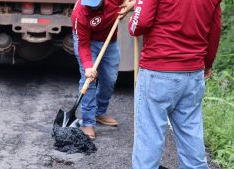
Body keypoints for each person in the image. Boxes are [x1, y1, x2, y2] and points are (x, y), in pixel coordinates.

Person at [128, 0, 221, 168]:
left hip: (158, 71)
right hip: (193, 74)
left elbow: (140, 24)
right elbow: (214, 30)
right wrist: (208, 63)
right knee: (191, 136)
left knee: (149, 138)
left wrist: (132, 24)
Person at [71, 0, 135, 139]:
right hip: (87, 43)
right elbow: (83, 45)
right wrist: (88, 67)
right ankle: (88, 122)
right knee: (89, 80)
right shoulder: (80, 14)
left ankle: (100, 111)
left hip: (109, 42)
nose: (92, 8)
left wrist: (131, 5)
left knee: (110, 79)